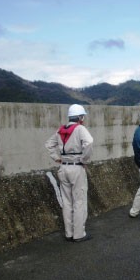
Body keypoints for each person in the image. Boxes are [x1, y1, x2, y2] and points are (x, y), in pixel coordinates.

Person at [45, 104, 94, 242]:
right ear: (80, 117)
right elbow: (89, 142)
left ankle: (69, 233)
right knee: (79, 201)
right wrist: (84, 159)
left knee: (67, 202)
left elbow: (49, 144)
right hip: (77, 168)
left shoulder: (60, 130)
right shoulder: (80, 129)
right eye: (82, 117)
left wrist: (57, 158)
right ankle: (79, 234)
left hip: (63, 168)